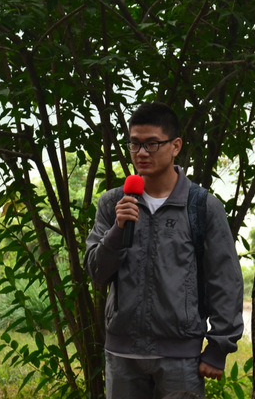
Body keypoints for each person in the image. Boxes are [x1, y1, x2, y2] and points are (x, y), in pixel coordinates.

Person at [84, 102, 244, 399]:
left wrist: (218, 347)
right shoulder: (113, 203)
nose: (141, 153)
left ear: (175, 146)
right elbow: (96, 272)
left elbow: (225, 279)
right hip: (122, 356)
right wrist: (117, 230)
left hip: (180, 358)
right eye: (134, 144)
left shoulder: (201, 206)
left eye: (152, 144)